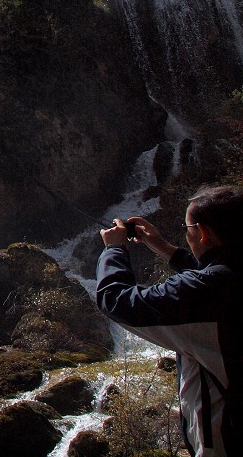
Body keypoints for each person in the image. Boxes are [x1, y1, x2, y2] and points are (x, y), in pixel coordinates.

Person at [96, 185, 241, 456]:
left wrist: (114, 249)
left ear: (203, 232)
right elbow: (217, 276)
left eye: (187, 229)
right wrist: (163, 247)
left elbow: (116, 301)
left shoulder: (206, 291)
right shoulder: (223, 280)